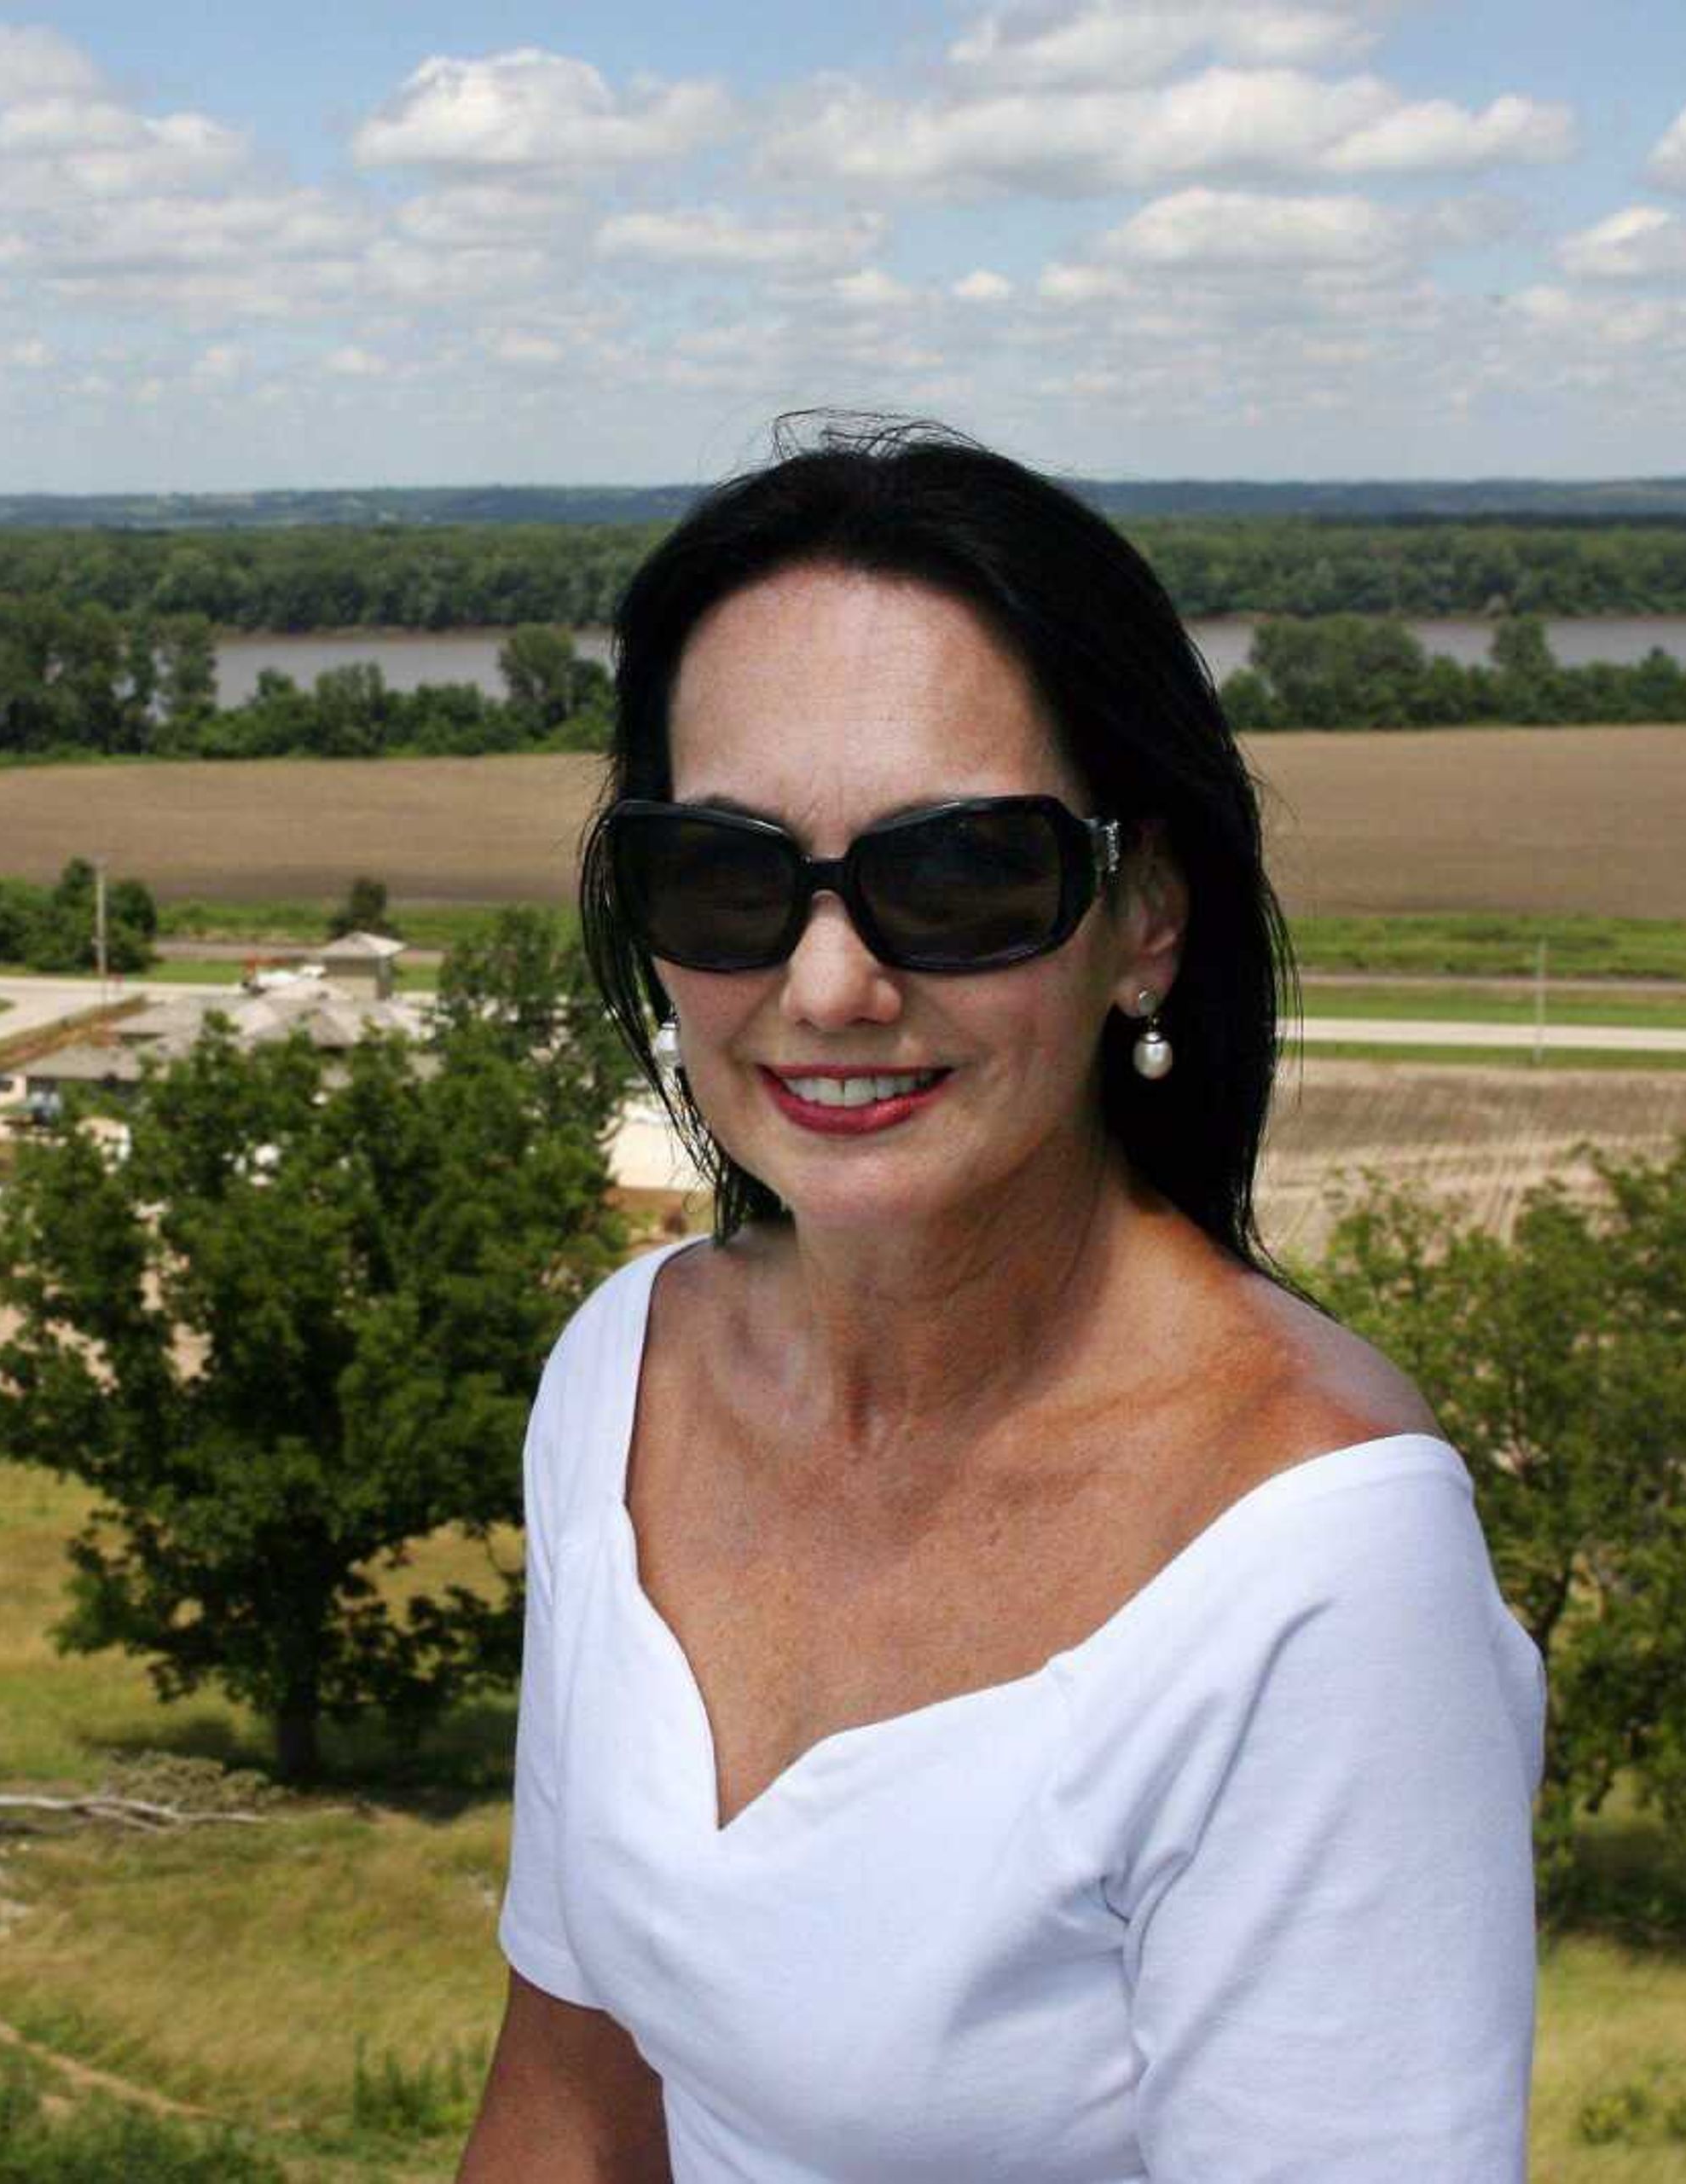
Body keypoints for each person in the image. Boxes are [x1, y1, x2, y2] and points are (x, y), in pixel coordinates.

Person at [456, 420, 1544, 2181]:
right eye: (728, 877)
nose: (827, 982)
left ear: (1152, 915)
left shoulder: (1317, 1572)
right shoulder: (623, 1382)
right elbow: (577, 2096)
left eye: (960, 873)